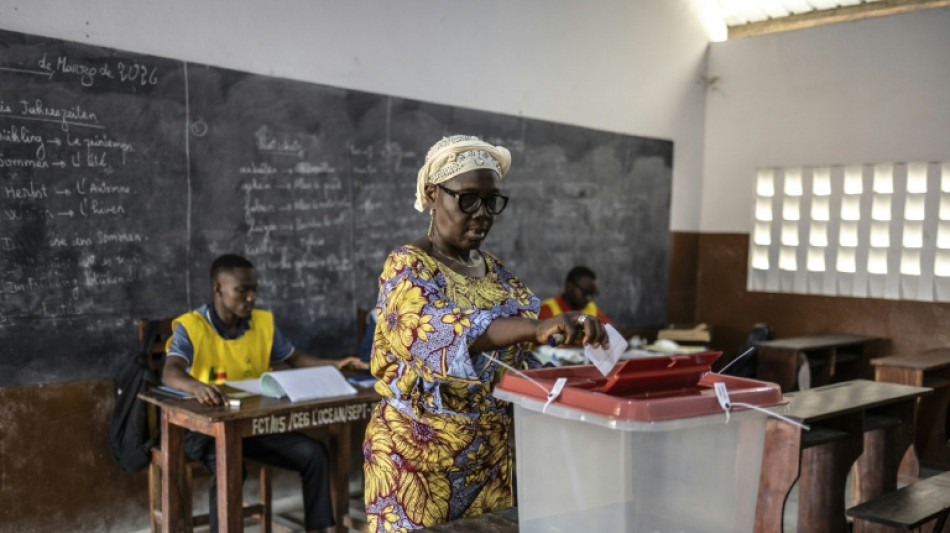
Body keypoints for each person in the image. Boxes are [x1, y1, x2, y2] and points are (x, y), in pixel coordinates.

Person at [362, 135, 609, 531]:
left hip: (489, 463)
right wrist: (536, 327)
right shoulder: (408, 267)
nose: (482, 213)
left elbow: (516, 358)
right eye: (468, 199)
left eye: (491, 201)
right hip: (418, 462)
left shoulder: (496, 272)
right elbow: (437, 333)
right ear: (432, 194)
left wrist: (568, 366)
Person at [162, 253, 366, 533]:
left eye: (254, 290)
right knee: (229, 467)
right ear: (218, 289)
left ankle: (318, 528)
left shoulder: (261, 323)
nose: (251, 298)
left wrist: (333, 363)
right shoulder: (191, 326)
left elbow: (295, 358)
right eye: (242, 290)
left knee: (313, 453)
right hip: (203, 428)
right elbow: (170, 372)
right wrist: (197, 387)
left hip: (249, 425)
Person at [538, 265, 613, 326]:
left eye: (592, 293)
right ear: (569, 286)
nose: (589, 298)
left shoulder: (591, 308)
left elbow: (610, 331)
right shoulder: (547, 309)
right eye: (585, 292)